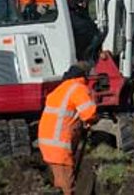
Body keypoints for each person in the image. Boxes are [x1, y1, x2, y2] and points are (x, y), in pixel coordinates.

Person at [37, 64, 97, 195]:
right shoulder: (78, 88)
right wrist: (91, 120)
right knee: (67, 187)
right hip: (59, 145)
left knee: (60, 180)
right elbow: (89, 113)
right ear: (83, 77)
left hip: (48, 142)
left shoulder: (60, 89)